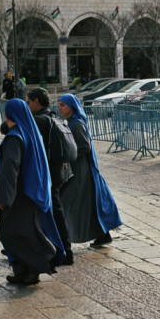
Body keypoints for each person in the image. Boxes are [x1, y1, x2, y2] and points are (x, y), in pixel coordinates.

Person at [0, 99, 66, 284]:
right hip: (33, 192)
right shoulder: (30, 133)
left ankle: (39, 261)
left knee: (7, 231)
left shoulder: (14, 137)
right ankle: (24, 271)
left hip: (19, 194)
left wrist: (3, 198)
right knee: (27, 231)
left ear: (7, 114)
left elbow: (10, 170)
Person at [58, 94, 122, 245]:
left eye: (62, 105)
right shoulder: (71, 123)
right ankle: (103, 234)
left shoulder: (77, 124)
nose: (59, 108)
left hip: (81, 170)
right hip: (79, 168)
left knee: (65, 202)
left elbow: (85, 146)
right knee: (87, 202)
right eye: (59, 104)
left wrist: (67, 151)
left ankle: (61, 238)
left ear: (71, 107)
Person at [26, 87, 74, 264]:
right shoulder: (54, 118)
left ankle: (64, 252)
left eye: (28, 102)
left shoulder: (39, 121)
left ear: (36, 102)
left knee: (53, 211)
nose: (27, 105)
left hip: (47, 174)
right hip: (59, 170)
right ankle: (55, 249)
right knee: (53, 209)